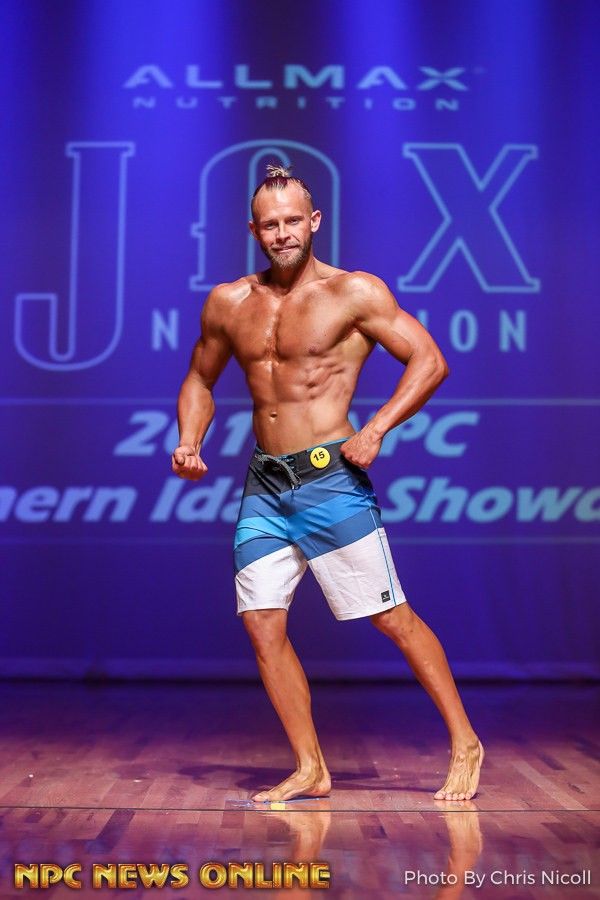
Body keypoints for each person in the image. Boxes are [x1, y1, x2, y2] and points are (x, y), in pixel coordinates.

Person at [172, 164, 484, 803]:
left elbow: (430, 361)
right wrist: (189, 439)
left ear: (314, 221)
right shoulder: (229, 302)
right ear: (254, 230)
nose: (283, 233)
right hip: (265, 485)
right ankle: (311, 767)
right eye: (270, 225)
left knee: (391, 618)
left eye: (293, 221)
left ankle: (465, 742)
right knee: (262, 625)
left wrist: (376, 429)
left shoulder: (353, 293)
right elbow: (201, 377)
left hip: (330, 481)